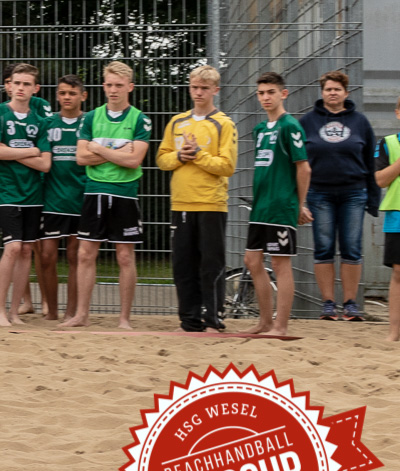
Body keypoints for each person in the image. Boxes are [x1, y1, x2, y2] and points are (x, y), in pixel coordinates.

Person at [66, 61, 151, 329]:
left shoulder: (140, 118)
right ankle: (81, 315)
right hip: (94, 191)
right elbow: (80, 158)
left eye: (119, 85)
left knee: (124, 256)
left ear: (130, 87)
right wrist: (118, 152)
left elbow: (134, 160)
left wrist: (99, 150)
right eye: (109, 85)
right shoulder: (90, 117)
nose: (113, 90)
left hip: (124, 193)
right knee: (85, 254)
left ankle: (124, 318)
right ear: (103, 86)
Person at [156, 65, 238, 333]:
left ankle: (213, 319)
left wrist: (199, 155)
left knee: (210, 264)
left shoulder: (224, 124)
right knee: (183, 265)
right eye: (195, 87)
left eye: (205, 88)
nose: (199, 92)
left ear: (216, 90)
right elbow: (162, 159)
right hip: (181, 203)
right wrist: (180, 156)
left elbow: (227, 166)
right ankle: (188, 320)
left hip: (211, 204)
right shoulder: (177, 122)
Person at [300, 70, 379, 320]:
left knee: (352, 248)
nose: (332, 93)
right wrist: (298, 200)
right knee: (323, 247)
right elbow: (298, 162)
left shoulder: (361, 122)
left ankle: (350, 304)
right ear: (321, 93)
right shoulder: (307, 122)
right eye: (328, 89)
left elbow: (371, 162)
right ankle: (328, 304)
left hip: (354, 192)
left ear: (347, 92)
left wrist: (373, 199)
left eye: (337, 89)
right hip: (319, 193)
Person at [244, 72, 312, 336]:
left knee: (281, 264)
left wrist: (299, 204)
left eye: (270, 92)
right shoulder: (260, 129)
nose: (265, 97)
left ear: (283, 94)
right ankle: (264, 322)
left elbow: (303, 168)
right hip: (260, 206)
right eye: (261, 93)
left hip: (281, 206)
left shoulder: (290, 126)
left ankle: (281, 326)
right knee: (252, 261)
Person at [0, 64, 52, 326]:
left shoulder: (41, 120)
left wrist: (11, 150)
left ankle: (15, 311)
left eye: (26, 84)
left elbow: (46, 164)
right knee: (12, 248)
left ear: (35, 89)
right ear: (9, 85)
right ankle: (0, 310)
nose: (20, 88)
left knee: (26, 252)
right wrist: (30, 152)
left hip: (34, 195)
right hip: (8, 193)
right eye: (17, 83)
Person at [34, 75, 89, 322]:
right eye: (63, 93)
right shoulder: (47, 123)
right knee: (46, 256)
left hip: (80, 197)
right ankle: (52, 311)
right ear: (57, 95)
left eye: (72, 93)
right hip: (52, 199)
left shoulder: (90, 122)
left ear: (83, 96)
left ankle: (72, 311)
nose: (67, 97)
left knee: (76, 255)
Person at [377, 96, 400, 343]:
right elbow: (380, 179)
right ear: (397, 113)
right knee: (398, 273)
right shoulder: (387, 143)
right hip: (397, 214)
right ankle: (394, 332)